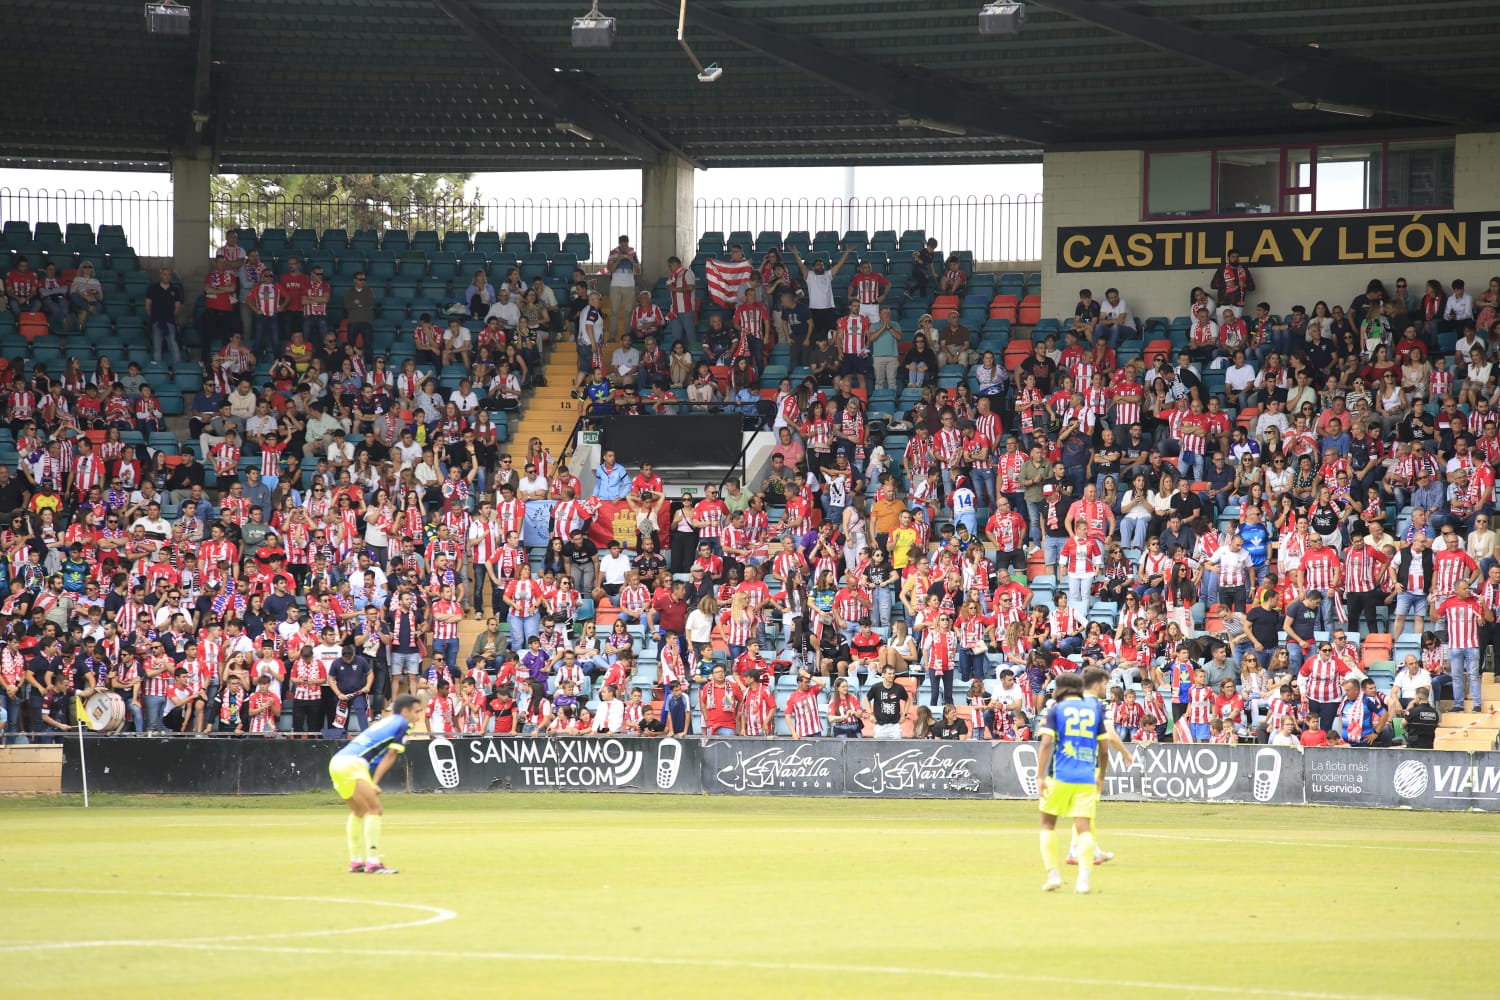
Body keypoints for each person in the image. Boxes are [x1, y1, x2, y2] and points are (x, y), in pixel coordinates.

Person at [327, 694, 423, 875]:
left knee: (359, 811)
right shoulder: (404, 724)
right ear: (405, 711)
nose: (418, 717)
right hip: (354, 764)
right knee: (375, 809)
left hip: (338, 762)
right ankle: (373, 862)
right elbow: (391, 755)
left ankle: (356, 861)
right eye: (416, 712)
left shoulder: (386, 721)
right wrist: (374, 782)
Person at [1037, 672, 1113, 895]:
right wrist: (1101, 777)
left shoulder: (1055, 710)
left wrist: (1039, 775)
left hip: (1059, 776)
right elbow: (1105, 750)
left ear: (1060, 689)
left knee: (1048, 825)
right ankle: (1083, 881)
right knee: (1084, 829)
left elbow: (1046, 744)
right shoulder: (1094, 710)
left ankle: (1053, 876)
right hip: (1086, 778)